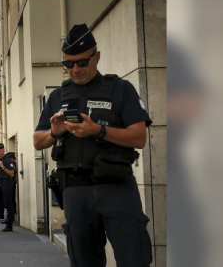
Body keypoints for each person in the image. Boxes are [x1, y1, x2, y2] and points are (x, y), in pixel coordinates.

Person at [33, 24, 153, 267]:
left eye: (82, 62)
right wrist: (55, 132)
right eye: (68, 64)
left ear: (96, 57)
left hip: (117, 189)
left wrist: (99, 130)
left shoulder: (120, 89)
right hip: (76, 193)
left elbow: (139, 137)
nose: (75, 69)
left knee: (134, 259)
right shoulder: (59, 96)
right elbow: (38, 141)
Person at [0, 144, 16, 231]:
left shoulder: (7, 161)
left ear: (3, 150)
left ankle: (9, 225)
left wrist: (3, 166)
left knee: (8, 204)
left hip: (6, 183)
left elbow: (12, 173)